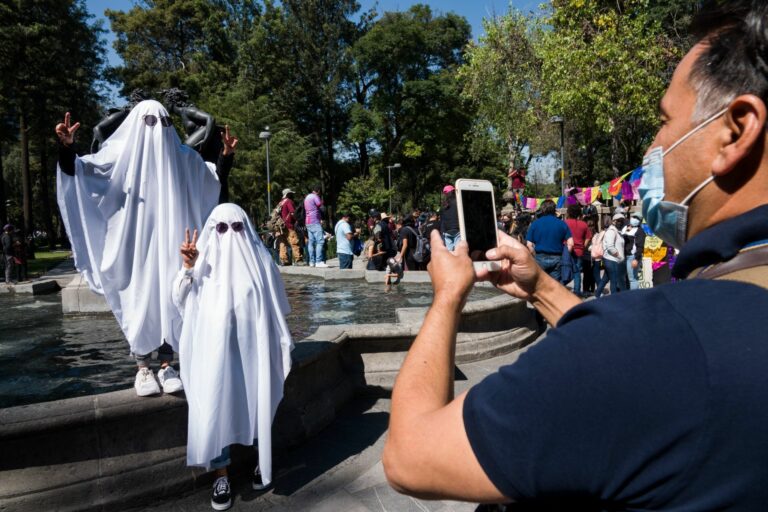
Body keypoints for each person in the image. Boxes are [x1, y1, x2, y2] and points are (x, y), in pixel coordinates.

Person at [383, 3, 768, 507]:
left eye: (664, 120)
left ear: (736, 130)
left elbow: (410, 456)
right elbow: (643, 372)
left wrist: (446, 297)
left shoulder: (658, 340)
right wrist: (541, 288)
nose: (653, 148)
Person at [55, 101, 237, 397]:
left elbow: (212, 179)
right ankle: (142, 368)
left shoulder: (184, 159)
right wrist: (66, 148)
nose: (157, 130)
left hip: (173, 245)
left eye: (164, 123)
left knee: (171, 298)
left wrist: (226, 156)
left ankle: (167, 365)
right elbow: (80, 173)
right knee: (139, 300)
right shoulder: (117, 157)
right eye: (150, 122)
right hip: (133, 248)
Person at [172, 204, 293, 510]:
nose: (229, 235)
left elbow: (279, 306)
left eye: (237, 227)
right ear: (212, 231)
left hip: (253, 356)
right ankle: (221, 474)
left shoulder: (261, 261)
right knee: (214, 407)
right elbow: (178, 301)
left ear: (247, 228)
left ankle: (260, 460)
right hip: (214, 358)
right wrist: (188, 268)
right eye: (221, 228)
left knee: (257, 402)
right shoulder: (201, 263)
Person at [525, 199, 574, 282]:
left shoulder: (535, 224)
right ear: (554, 209)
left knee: (540, 284)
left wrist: (534, 255)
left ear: (542, 209)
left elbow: (529, 244)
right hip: (557, 257)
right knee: (554, 285)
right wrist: (565, 255)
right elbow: (571, 243)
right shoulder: (562, 223)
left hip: (540, 257)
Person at [564, 204, 592, 297]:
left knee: (563, 270)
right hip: (579, 251)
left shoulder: (564, 222)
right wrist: (583, 246)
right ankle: (577, 292)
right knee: (577, 272)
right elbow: (588, 236)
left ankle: (561, 290)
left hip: (566, 250)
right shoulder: (583, 224)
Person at [599, 213, 627, 297]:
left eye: (622, 221)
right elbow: (610, 247)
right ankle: (614, 298)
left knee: (605, 279)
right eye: (619, 221)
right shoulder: (611, 231)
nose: (621, 222)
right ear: (614, 221)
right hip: (612, 260)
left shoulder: (618, 231)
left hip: (614, 260)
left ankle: (597, 295)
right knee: (614, 281)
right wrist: (619, 256)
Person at [621, 213, 647, 290]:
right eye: (633, 216)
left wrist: (636, 259)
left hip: (632, 257)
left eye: (637, 218)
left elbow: (640, 247)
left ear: (640, 221)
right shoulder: (625, 227)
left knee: (633, 279)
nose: (634, 219)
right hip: (623, 256)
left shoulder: (640, 231)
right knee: (623, 277)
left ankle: (634, 297)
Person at [303, 184, 326, 268]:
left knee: (311, 242)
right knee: (320, 241)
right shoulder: (315, 197)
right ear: (318, 191)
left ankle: (311, 262)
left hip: (308, 222)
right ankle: (319, 261)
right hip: (314, 221)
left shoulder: (307, 197)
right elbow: (321, 206)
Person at [277, 188, 301, 266]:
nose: (292, 195)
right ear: (288, 194)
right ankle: (298, 259)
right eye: (291, 193)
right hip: (289, 225)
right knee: (294, 241)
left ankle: (284, 260)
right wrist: (297, 220)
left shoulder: (280, 203)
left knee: (282, 242)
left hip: (280, 226)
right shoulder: (289, 201)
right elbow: (292, 213)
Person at [440, 185, 461, 250]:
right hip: (457, 229)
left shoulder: (444, 205)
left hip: (447, 231)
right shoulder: (458, 202)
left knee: (450, 252)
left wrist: (442, 233)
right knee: (458, 251)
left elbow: (442, 221)